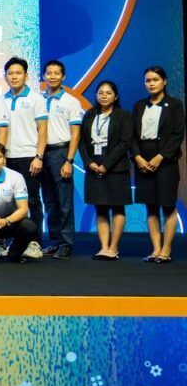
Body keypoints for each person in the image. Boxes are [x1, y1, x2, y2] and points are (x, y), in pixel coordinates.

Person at [131, 66, 186, 263]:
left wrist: (160, 156)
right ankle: (155, 249)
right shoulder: (139, 105)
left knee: (168, 205)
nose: (151, 83)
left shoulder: (175, 104)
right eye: (148, 80)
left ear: (164, 81)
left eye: (155, 79)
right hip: (143, 159)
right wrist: (137, 157)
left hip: (165, 160)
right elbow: (132, 135)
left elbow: (177, 134)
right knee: (151, 206)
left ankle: (166, 250)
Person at [78, 80, 133, 260]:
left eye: (108, 93)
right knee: (100, 209)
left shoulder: (123, 115)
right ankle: (103, 247)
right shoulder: (89, 115)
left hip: (116, 168)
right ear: (96, 95)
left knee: (118, 208)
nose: (104, 96)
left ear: (115, 96)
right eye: (101, 92)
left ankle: (113, 248)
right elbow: (82, 142)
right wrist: (89, 163)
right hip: (94, 168)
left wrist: (106, 165)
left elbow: (125, 142)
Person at [2, 57, 48, 259]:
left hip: (29, 157)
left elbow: (43, 130)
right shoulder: (1, 100)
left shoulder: (36, 99)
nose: (14, 77)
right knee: (9, 203)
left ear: (26, 76)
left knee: (32, 201)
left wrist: (39, 156)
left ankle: (35, 243)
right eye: (10, 73)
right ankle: (13, 243)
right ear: (5, 77)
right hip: (7, 158)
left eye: (18, 73)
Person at [39, 59, 84, 259]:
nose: (52, 76)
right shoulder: (38, 100)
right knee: (49, 201)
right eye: (49, 73)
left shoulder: (71, 101)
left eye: (56, 73)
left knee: (64, 202)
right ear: (43, 76)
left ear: (63, 76)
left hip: (61, 152)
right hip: (42, 153)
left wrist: (69, 160)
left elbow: (76, 134)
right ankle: (55, 241)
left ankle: (66, 243)